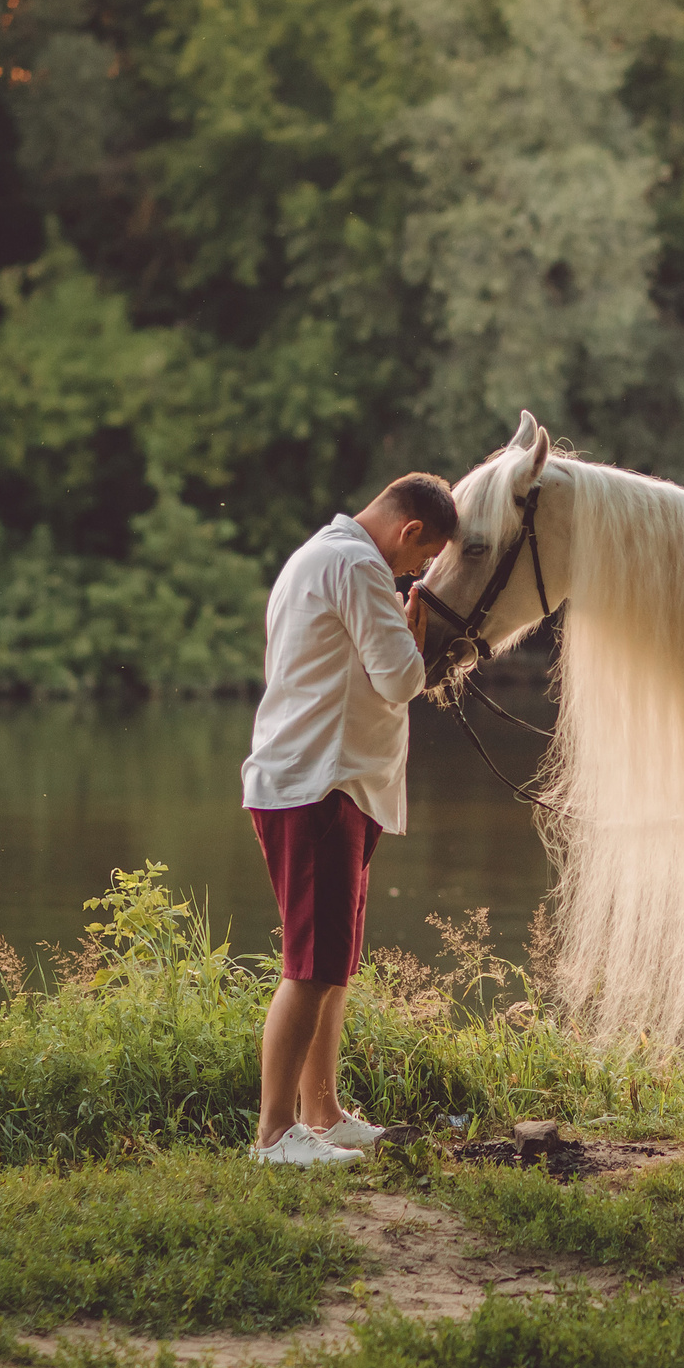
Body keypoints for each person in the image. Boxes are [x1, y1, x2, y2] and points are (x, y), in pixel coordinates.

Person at [241, 474, 456, 1166]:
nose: (414, 574)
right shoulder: (360, 563)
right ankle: (274, 1135)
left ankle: (324, 1115)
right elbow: (399, 679)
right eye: (419, 561)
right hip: (318, 786)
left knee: (331, 965)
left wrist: (390, 627)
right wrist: (408, 630)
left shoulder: (321, 553)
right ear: (409, 531)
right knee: (308, 967)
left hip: (336, 785)